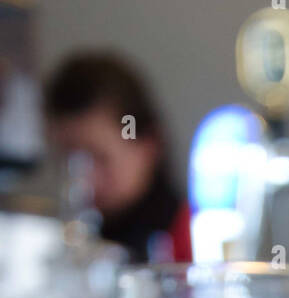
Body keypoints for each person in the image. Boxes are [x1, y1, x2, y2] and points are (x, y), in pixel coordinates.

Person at [43, 51, 191, 263]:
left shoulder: (197, 239)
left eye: (101, 158)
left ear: (148, 144)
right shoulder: (54, 247)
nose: (86, 180)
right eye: (70, 162)